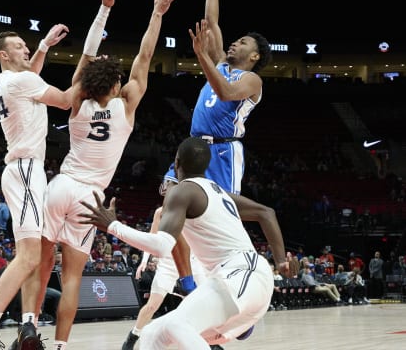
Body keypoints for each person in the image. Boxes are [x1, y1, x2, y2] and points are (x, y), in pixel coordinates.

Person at [32, 0, 177, 350]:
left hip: (60, 185)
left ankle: (30, 325)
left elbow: (86, 55)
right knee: (72, 279)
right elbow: (145, 56)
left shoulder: (77, 101)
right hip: (89, 198)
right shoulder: (126, 104)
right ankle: (61, 346)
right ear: (115, 85)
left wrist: (103, 11)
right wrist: (156, 14)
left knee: (40, 263)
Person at [79, 137, 288, 350]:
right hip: (236, 278)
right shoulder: (216, 190)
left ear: (177, 162)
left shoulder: (182, 191)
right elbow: (266, 212)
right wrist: (281, 263)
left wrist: (113, 226)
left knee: (177, 326)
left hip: (243, 273)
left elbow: (162, 246)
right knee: (153, 333)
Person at [0, 15, 75, 348]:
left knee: (37, 255)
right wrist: (92, 71)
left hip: (25, 169)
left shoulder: (4, 81)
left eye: (27, 46)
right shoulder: (20, 82)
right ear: (3, 55)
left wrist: (43, 46)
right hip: (25, 169)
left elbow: (30, 74)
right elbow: (66, 100)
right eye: (19, 47)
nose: (26, 50)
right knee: (28, 257)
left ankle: (26, 324)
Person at [189, 0, 272, 196]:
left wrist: (203, 57)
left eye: (243, 43)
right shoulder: (221, 64)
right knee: (172, 200)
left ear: (254, 57)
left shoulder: (252, 80)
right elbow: (211, 21)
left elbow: (225, 93)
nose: (235, 43)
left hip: (222, 151)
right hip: (194, 145)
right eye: (236, 40)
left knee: (221, 215)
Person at [122, 164, 181, 350]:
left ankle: (209, 342)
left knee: (199, 302)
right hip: (168, 263)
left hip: (190, 263)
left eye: (170, 183)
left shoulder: (191, 209)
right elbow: (152, 239)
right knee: (152, 305)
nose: (166, 187)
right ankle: (133, 336)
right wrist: (144, 261)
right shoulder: (160, 212)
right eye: (167, 184)